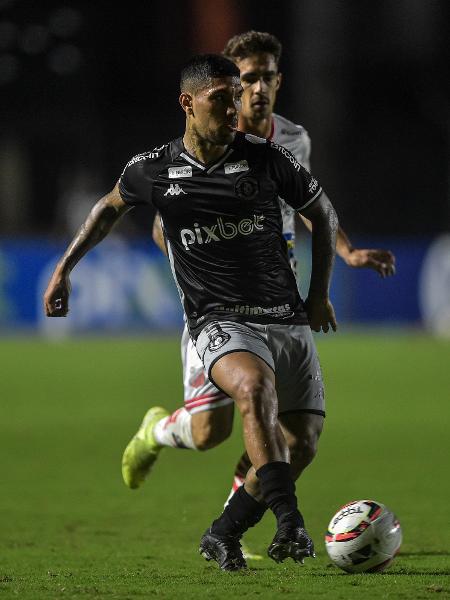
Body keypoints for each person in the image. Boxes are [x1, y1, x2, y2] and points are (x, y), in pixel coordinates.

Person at [44, 53, 338, 572]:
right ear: (188, 103)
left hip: (285, 316)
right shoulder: (154, 168)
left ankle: (222, 531)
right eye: (221, 100)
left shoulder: (267, 158)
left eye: (237, 100)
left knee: (301, 442)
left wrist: (316, 296)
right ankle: (290, 523)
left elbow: (322, 212)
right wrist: (64, 269)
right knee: (252, 391)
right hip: (219, 318)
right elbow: (108, 207)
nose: (234, 110)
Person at [131, 30, 396, 552]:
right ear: (228, 84)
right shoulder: (202, 140)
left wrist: (345, 251)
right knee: (211, 432)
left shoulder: (292, 140)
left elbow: (309, 203)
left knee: (274, 422)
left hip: (275, 298)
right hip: (217, 303)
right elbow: (165, 215)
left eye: (267, 77)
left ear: (279, 81)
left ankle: (231, 527)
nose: (257, 89)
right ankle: (156, 432)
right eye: (246, 78)